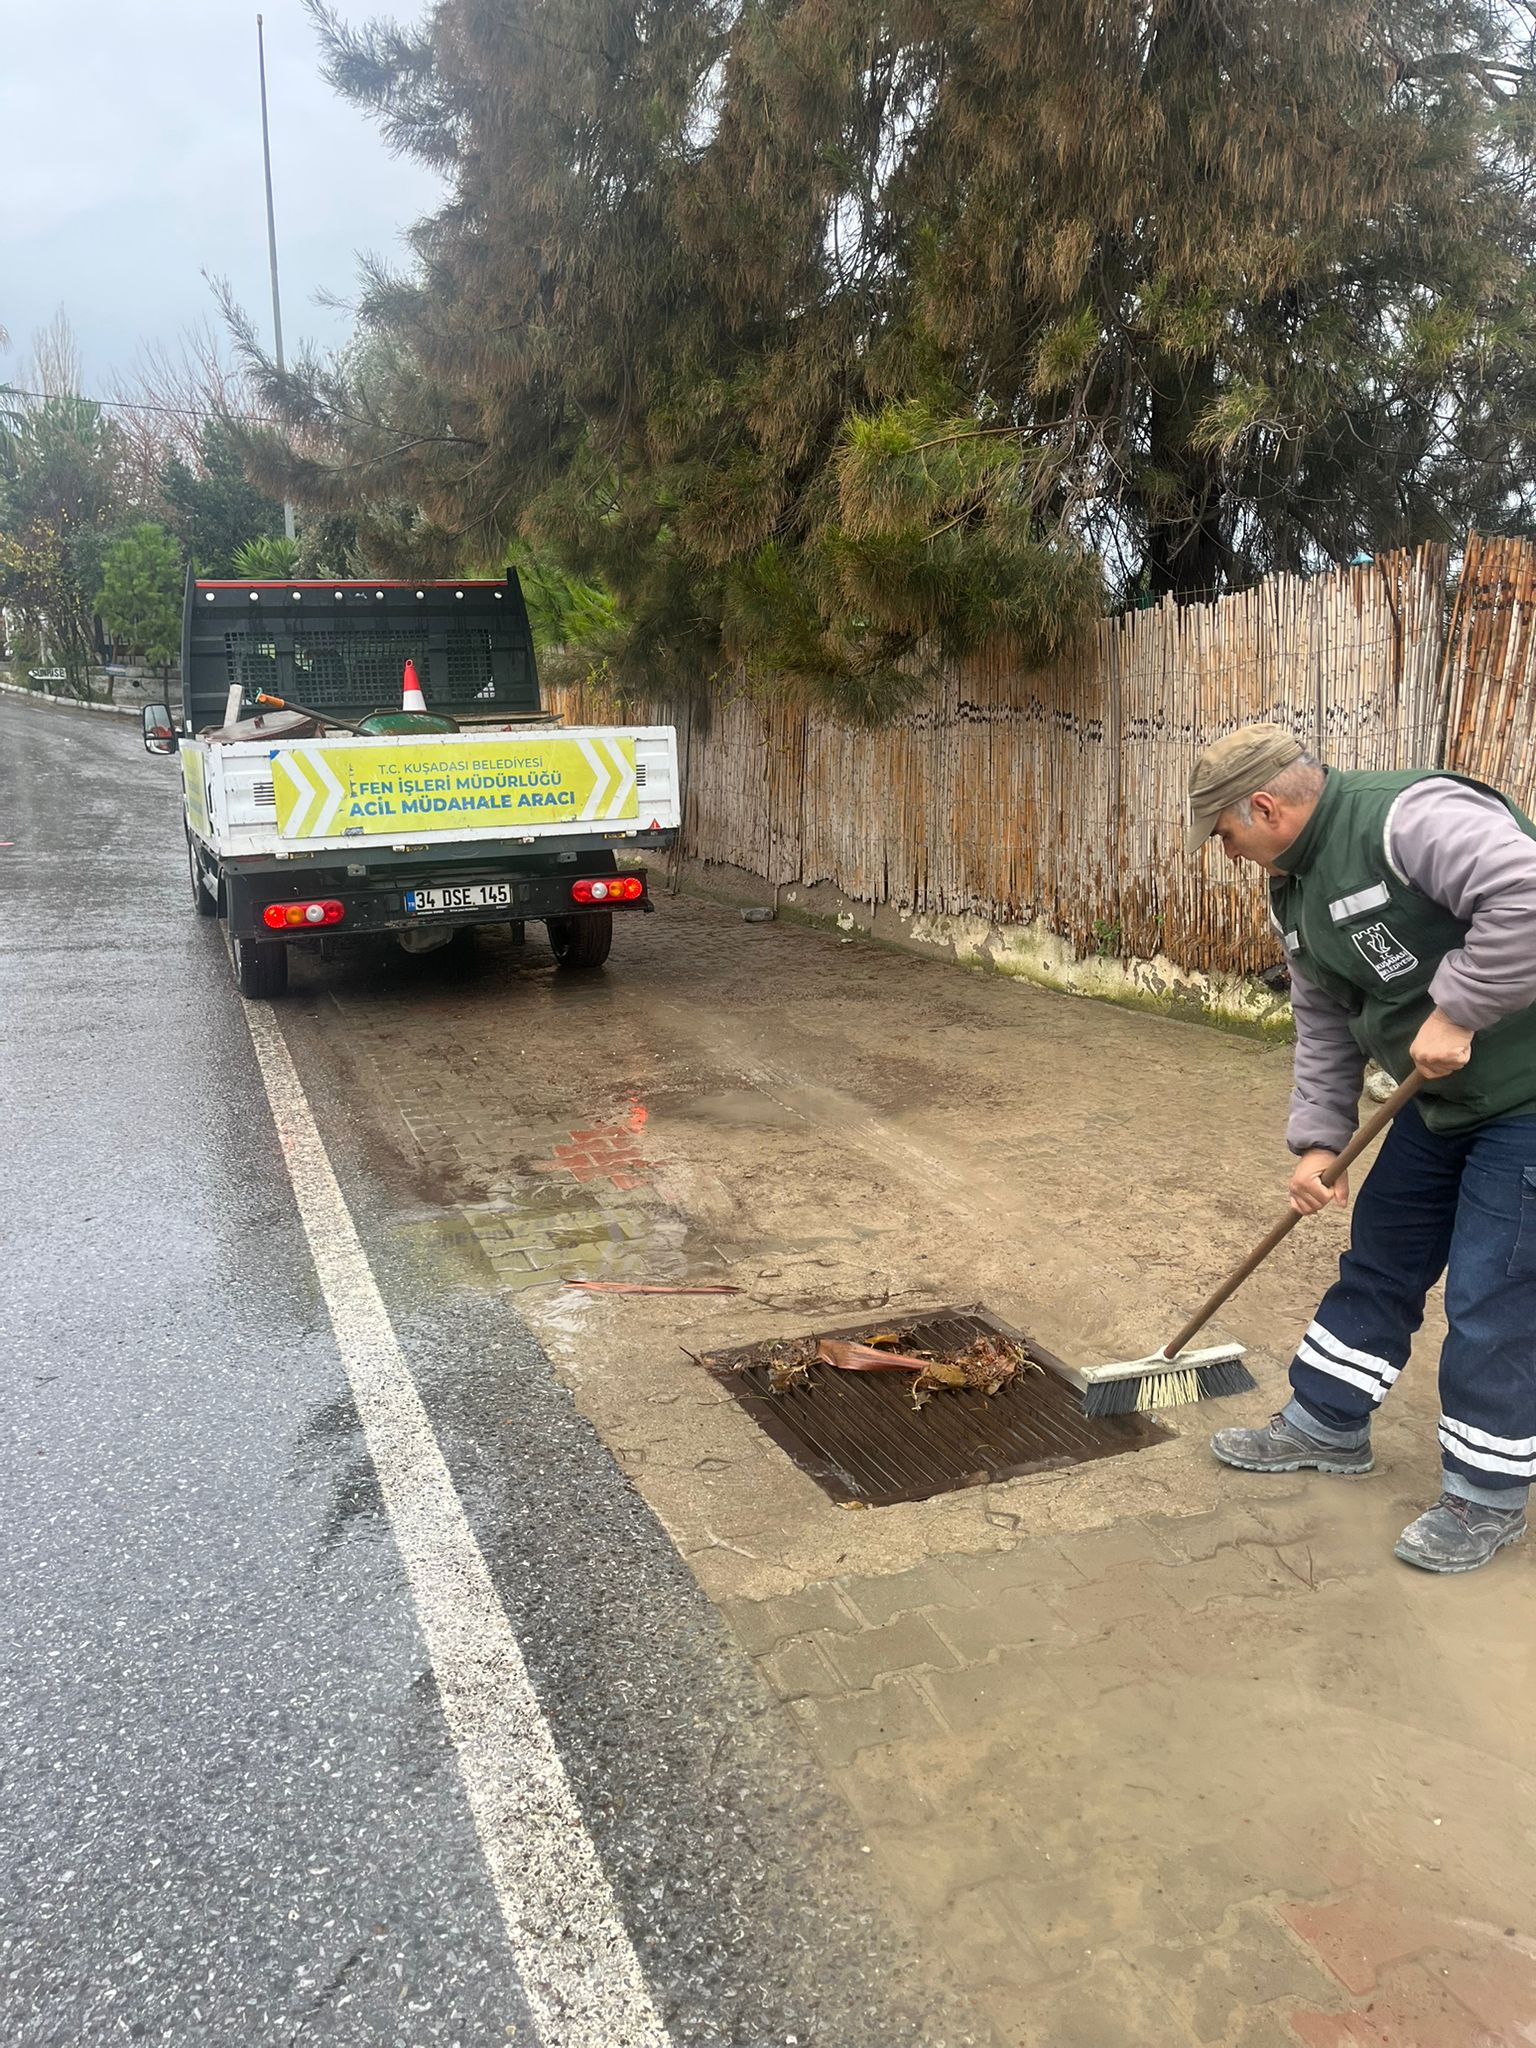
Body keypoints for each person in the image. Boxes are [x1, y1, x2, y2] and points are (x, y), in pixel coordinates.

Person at [1184, 724, 1536, 1573]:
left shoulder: (1407, 820)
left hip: (1526, 1097)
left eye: (1225, 836)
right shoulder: (1294, 888)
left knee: (1494, 1292)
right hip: (1441, 1102)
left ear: (1265, 807)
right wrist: (1316, 1142)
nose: (1227, 855)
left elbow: (1527, 894)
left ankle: (1486, 1494)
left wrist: (1458, 1008)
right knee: (1381, 1253)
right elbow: (1323, 1022)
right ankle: (1328, 1421)